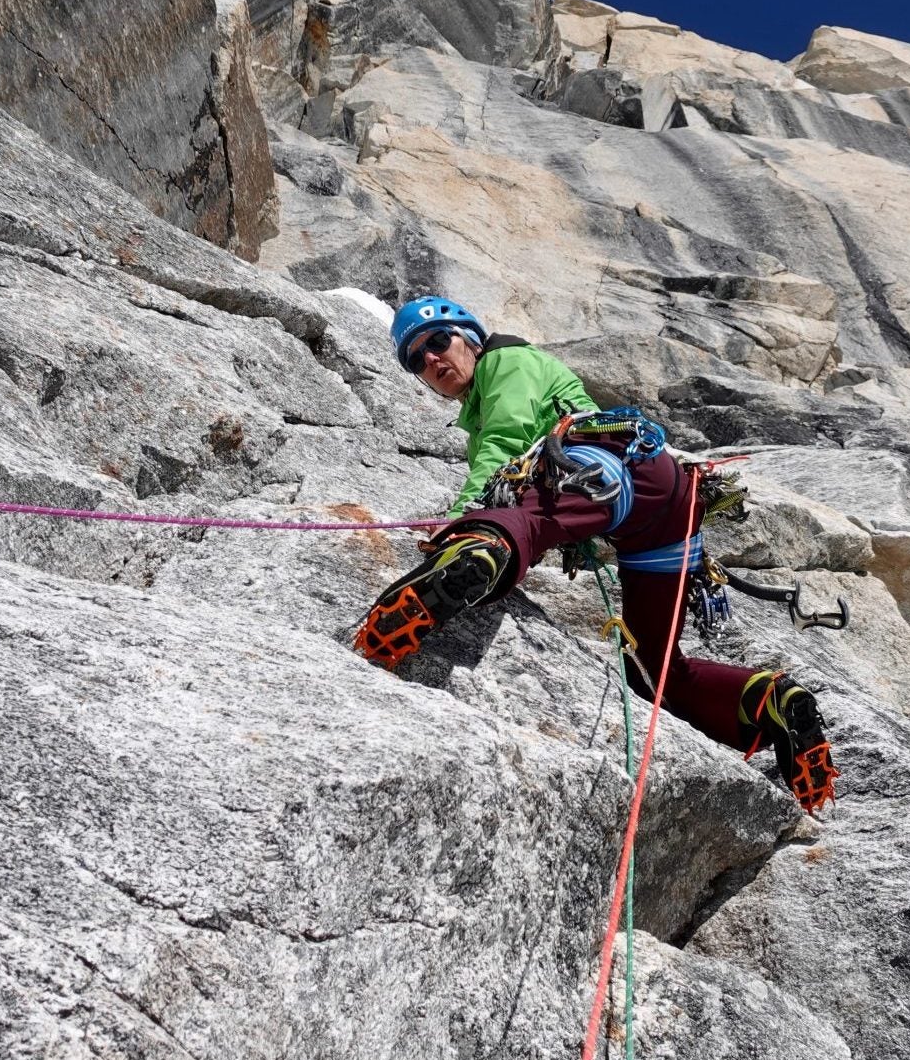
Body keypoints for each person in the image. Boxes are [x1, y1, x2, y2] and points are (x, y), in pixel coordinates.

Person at [356, 295, 839, 812]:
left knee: (519, 520)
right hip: (664, 508)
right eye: (416, 359)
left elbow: (507, 439)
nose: (431, 359)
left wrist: (463, 520)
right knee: (657, 671)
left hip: (601, 469)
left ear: (469, 337)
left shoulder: (507, 361)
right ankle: (772, 703)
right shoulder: (484, 391)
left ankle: (477, 553)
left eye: (437, 342)